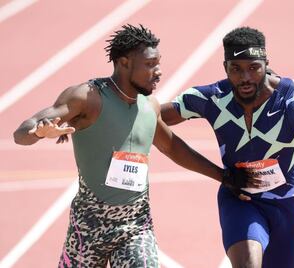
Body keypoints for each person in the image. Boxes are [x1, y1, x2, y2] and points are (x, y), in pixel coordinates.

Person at [13, 24, 253, 268]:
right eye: (150, 64)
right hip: (87, 226)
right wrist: (38, 131)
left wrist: (223, 176)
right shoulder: (88, 98)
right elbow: (21, 133)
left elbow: (172, 147)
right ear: (124, 62)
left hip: (135, 225)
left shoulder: (149, 106)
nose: (158, 71)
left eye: (159, 63)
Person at [161, 26, 294, 268]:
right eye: (236, 69)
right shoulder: (213, 99)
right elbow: (151, 118)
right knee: (249, 262)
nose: (246, 78)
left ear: (266, 63)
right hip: (240, 200)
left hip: (285, 205)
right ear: (225, 68)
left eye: (254, 68)